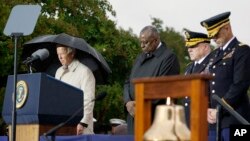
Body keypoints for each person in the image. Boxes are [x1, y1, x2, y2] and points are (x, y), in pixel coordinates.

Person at [201, 11, 250, 141]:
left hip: (236, 119)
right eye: (211, 35)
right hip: (215, 122)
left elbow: (240, 84)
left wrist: (220, 108)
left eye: (216, 34)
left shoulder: (242, 50)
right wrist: (206, 108)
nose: (214, 38)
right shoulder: (214, 55)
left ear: (227, 28)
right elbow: (208, 84)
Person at [123, 25, 180, 134]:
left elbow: (163, 88)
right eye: (140, 42)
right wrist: (128, 102)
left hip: (153, 117)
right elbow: (127, 81)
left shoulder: (169, 57)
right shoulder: (140, 57)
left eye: (145, 42)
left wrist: (139, 105)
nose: (142, 46)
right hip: (133, 116)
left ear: (155, 40)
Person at [55, 44, 96, 135]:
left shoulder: (84, 72)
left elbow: (88, 100)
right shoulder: (58, 72)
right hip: (62, 124)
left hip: (79, 126)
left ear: (72, 53)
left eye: (62, 54)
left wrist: (82, 122)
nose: (60, 57)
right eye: (58, 54)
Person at [182, 29, 212, 128]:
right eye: (188, 46)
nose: (189, 49)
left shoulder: (213, 64)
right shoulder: (189, 68)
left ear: (205, 47)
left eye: (193, 46)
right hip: (189, 122)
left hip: (206, 123)